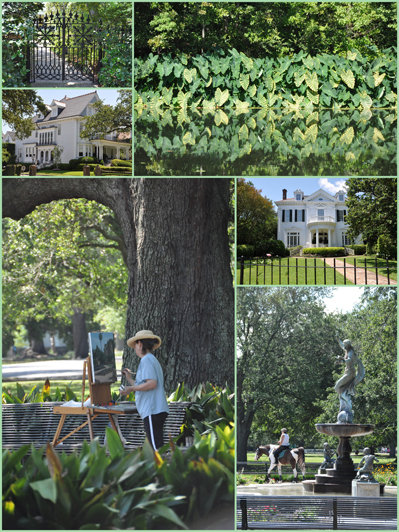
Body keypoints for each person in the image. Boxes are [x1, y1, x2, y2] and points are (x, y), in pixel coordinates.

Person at [121, 330, 169, 451]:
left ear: (140, 344)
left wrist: (131, 388)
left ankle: (160, 469)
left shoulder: (146, 360)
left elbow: (152, 384)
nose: (135, 348)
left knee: (155, 449)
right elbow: (143, 386)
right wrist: (130, 379)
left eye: (135, 345)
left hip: (152, 410)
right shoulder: (151, 359)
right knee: (156, 445)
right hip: (155, 409)